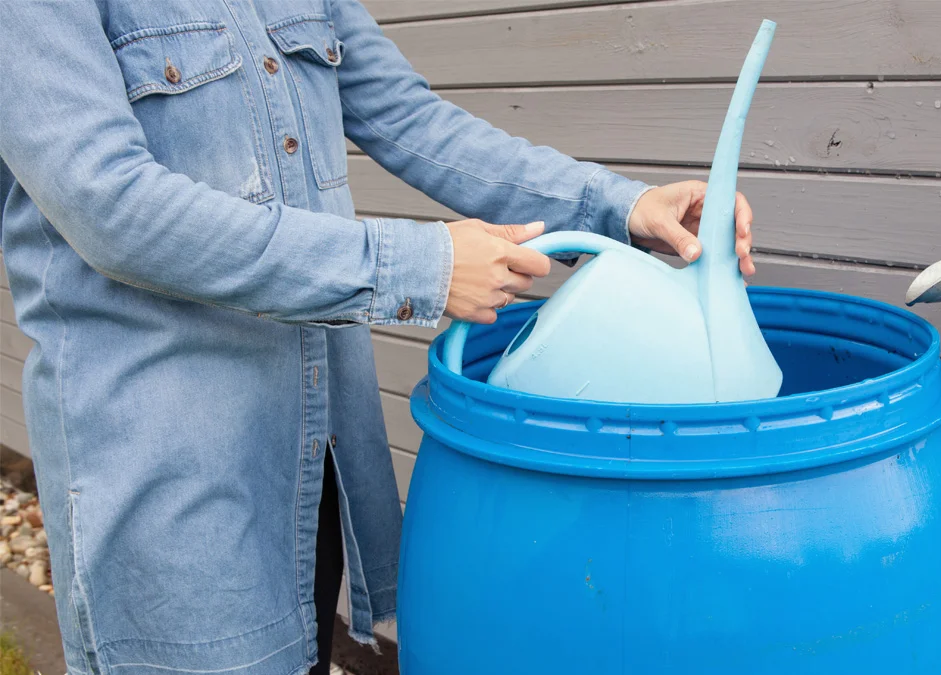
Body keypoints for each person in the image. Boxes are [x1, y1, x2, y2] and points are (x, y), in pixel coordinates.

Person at [0, 1, 756, 673]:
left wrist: (623, 205)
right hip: (169, 471)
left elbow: (412, 121)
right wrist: (421, 265)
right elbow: (113, 207)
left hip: (312, 454)